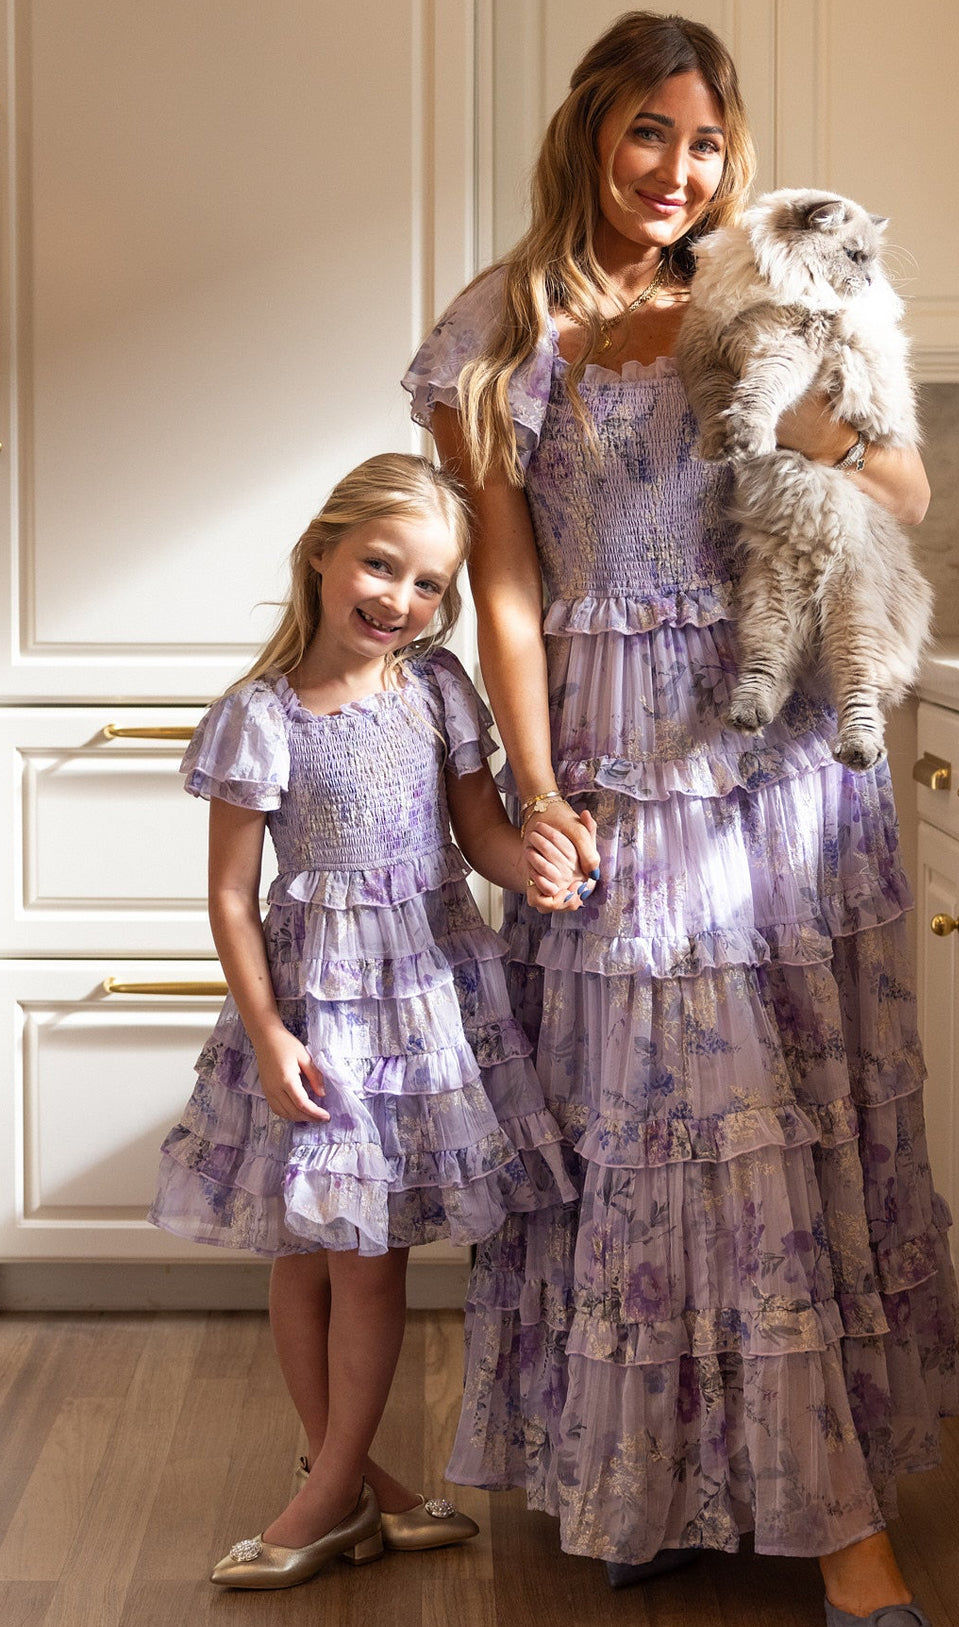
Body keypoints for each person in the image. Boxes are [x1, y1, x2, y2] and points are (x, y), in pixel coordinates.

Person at [402, 13, 958, 1627]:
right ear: (591, 134)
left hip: (774, 753)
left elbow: (906, 492)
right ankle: (660, 1476)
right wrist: (531, 776)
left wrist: (798, 415)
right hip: (610, 757)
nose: (678, 170)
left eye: (706, 141)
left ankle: (839, 1517)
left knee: (779, 1106)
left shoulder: (764, 289)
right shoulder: (498, 327)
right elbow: (505, 578)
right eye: (649, 134)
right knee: (643, 1125)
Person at [148, 452, 594, 1590]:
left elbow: (477, 836)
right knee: (308, 1248)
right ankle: (344, 1482)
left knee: (369, 1251)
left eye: (429, 584)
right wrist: (266, 1032)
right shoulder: (261, 718)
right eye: (380, 566)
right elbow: (227, 898)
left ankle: (331, 1489)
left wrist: (532, 863)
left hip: (424, 996)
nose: (401, 599)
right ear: (322, 554)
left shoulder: (438, 689)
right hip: (311, 1011)